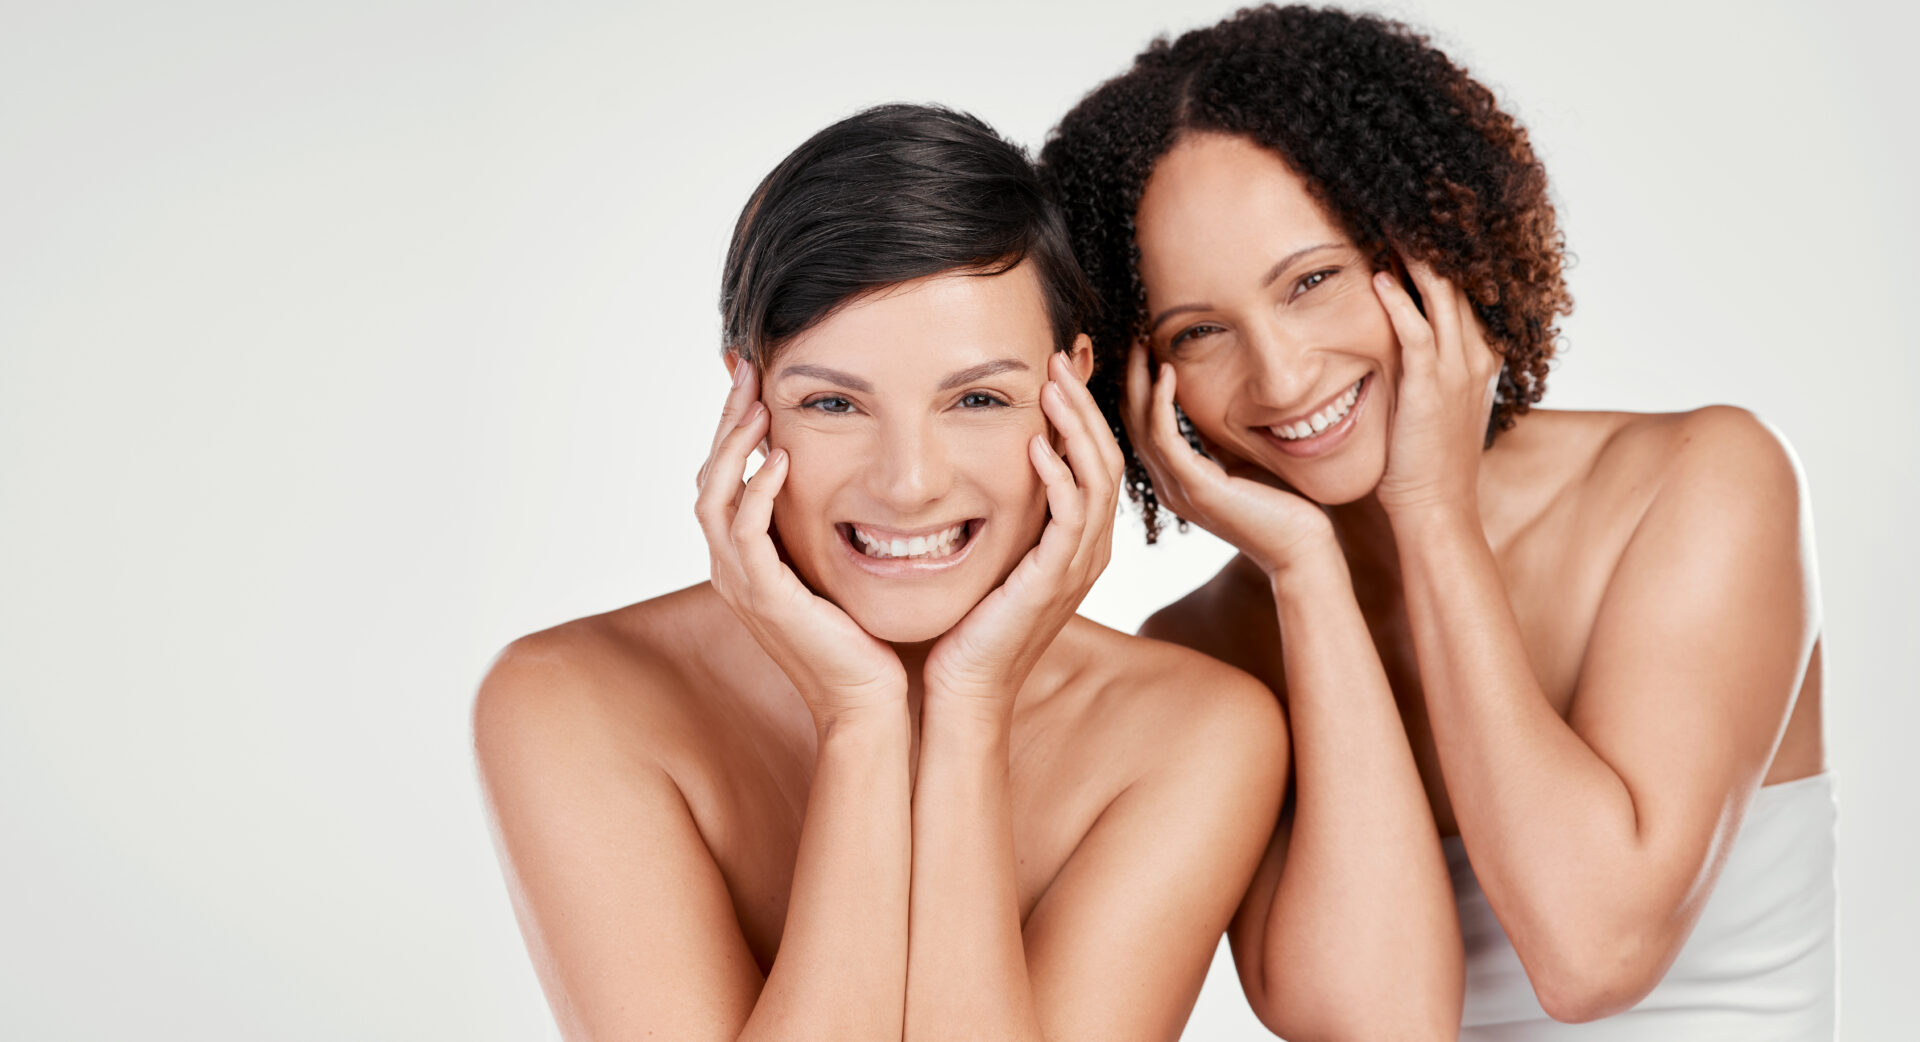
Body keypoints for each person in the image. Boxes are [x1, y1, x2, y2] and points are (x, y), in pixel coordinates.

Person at [1041, 6, 1832, 1039]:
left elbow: (1591, 953)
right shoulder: (1210, 651)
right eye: (1200, 331)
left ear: (1431, 246)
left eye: (1312, 282)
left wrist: (1431, 513)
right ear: (1143, 378)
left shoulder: (1699, 482)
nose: (1281, 375)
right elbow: (1372, 1025)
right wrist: (1308, 576)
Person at [472, 103, 1288, 1042]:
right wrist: (859, 724)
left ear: (1072, 392)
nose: (908, 483)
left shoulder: (1195, 732)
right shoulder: (573, 699)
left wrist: (969, 708)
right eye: (832, 403)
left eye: (978, 398)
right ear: (747, 400)